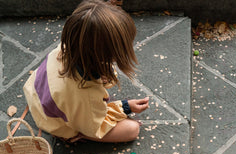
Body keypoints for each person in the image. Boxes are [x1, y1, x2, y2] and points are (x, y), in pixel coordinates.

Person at [23, 0, 149, 143]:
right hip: (54, 122)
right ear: (105, 55)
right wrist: (124, 107)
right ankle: (74, 136)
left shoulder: (67, 47)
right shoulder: (84, 93)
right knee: (132, 129)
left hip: (37, 95)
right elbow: (93, 124)